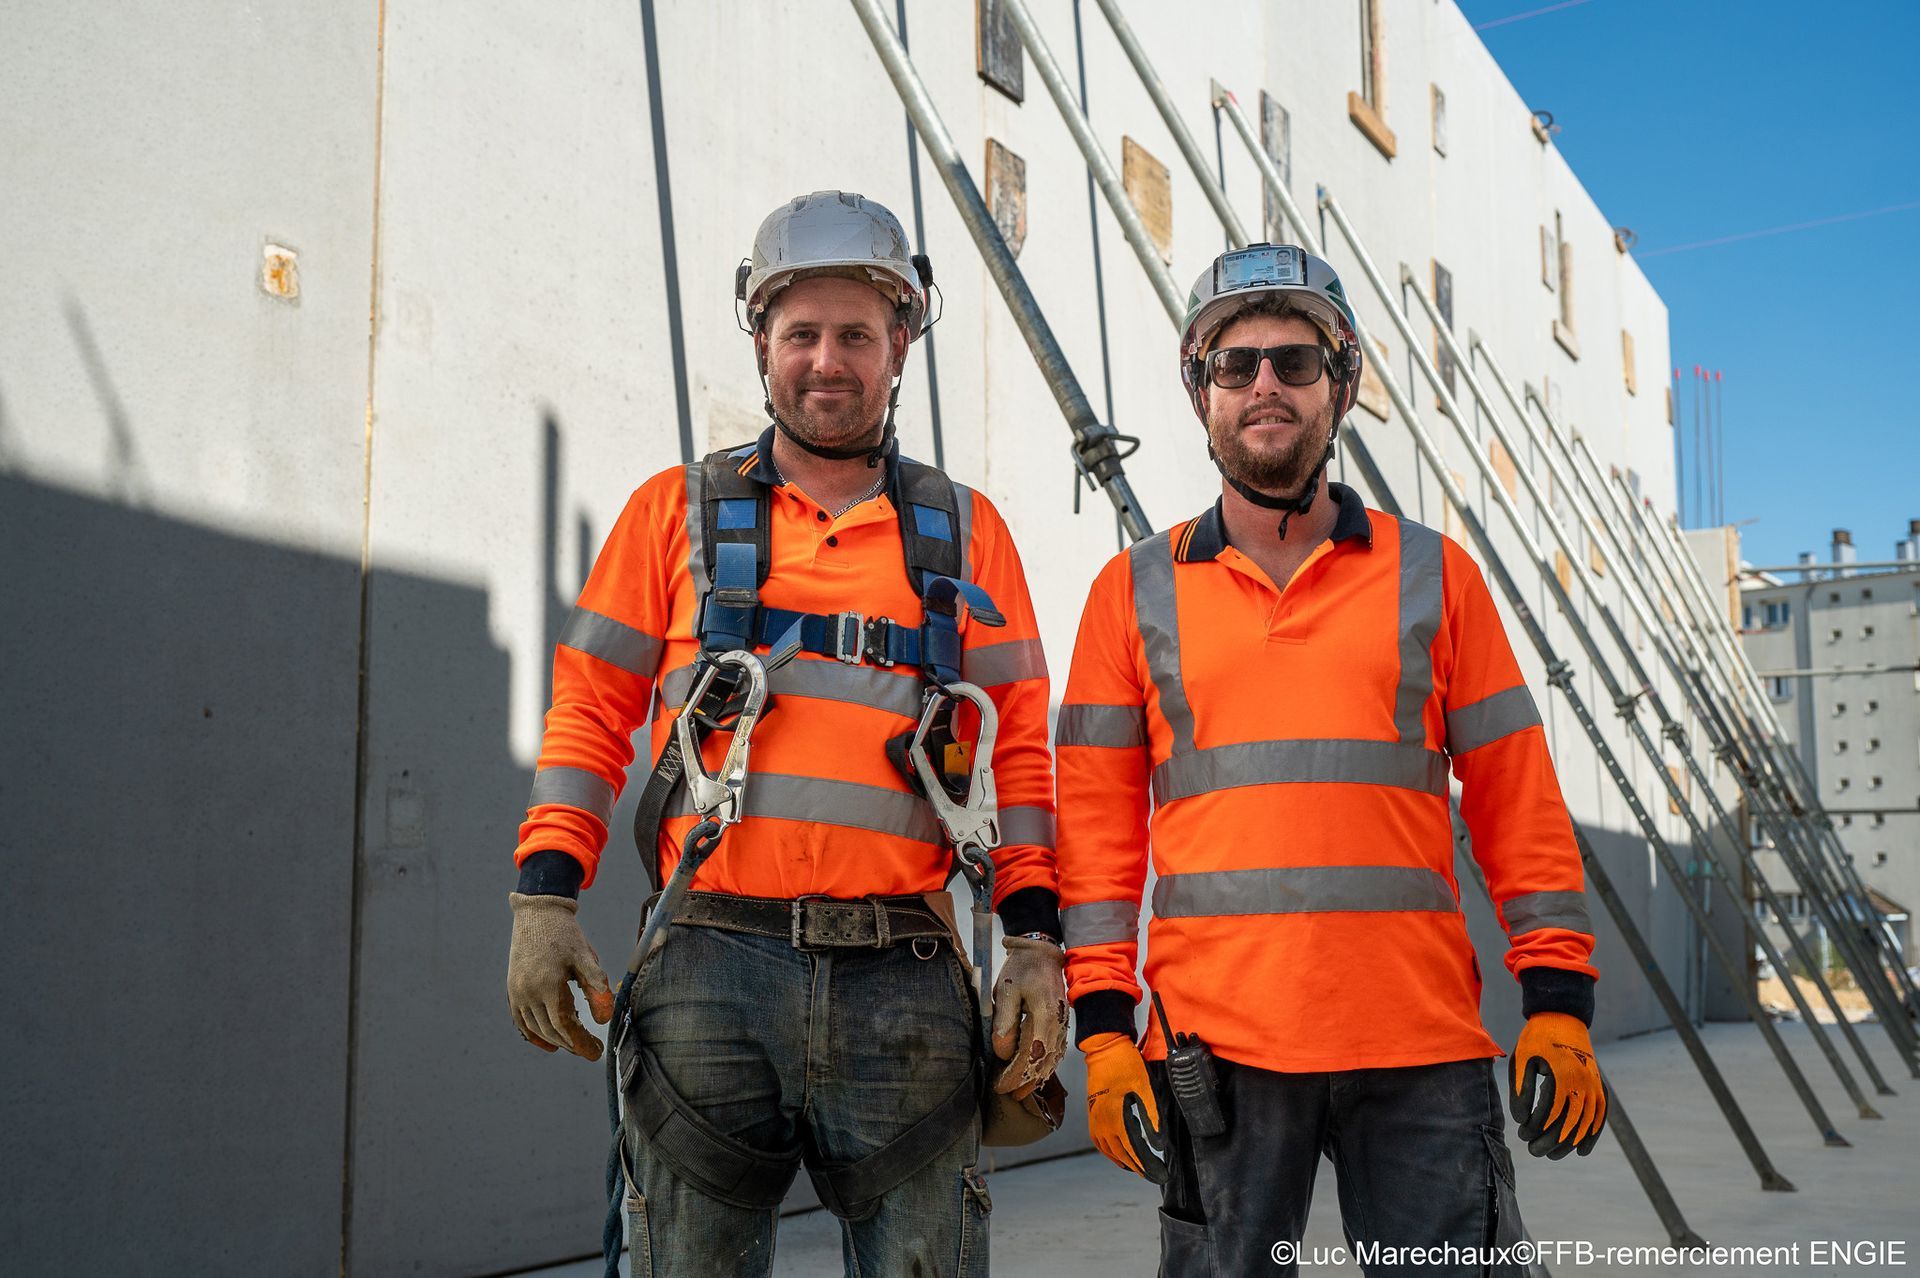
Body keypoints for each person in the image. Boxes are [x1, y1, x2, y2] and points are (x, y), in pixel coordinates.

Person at [505, 190, 1066, 1276]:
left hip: (905, 968)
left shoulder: (965, 533)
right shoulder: (671, 515)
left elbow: (1021, 751)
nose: (827, 360)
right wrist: (543, 893)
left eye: (856, 334)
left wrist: (1036, 937)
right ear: (760, 340)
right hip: (709, 958)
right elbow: (590, 708)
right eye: (800, 333)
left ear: (901, 342)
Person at [1054, 243, 1606, 1276]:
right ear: (1200, 393)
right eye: (1236, 364)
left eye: (1296, 362)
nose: (1266, 385)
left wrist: (1560, 1003)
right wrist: (1102, 1030)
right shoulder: (1129, 594)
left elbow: (1516, 798)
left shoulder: (1436, 578)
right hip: (1214, 1055)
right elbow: (1094, 837)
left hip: (1422, 1049)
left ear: (1340, 386)